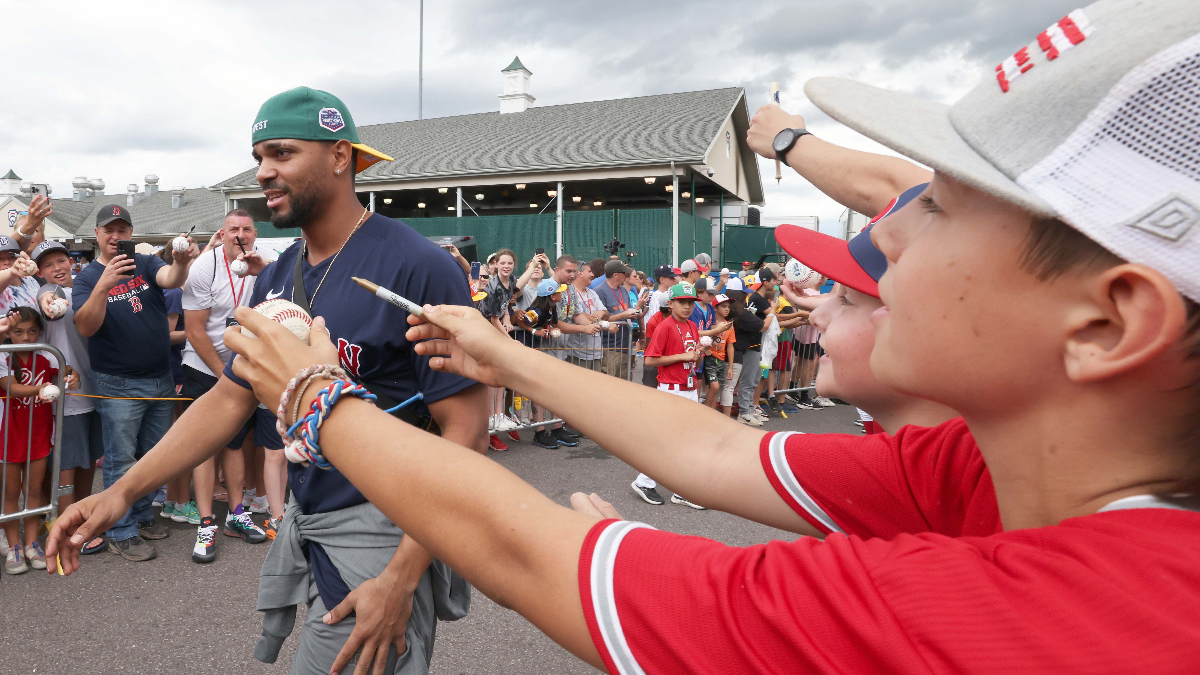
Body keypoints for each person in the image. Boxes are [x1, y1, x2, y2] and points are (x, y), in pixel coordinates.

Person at [53, 86, 484, 675]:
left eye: (281, 153)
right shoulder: (282, 270)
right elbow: (229, 398)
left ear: (340, 156)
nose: (264, 171)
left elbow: (466, 434)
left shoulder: (417, 266)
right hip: (312, 522)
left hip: (383, 534)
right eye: (259, 157)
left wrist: (402, 576)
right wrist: (119, 493)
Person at [72, 204, 198, 562]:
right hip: (118, 384)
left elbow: (171, 279)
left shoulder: (144, 263)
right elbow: (86, 326)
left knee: (152, 457)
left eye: (122, 230)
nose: (116, 237)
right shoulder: (85, 279)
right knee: (120, 460)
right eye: (109, 230)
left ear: (131, 234)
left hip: (159, 378)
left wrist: (182, 260)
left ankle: (142, 516)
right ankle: (120, 529)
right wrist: (104, 285)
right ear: (97, 234)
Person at [181, 210, 273, 562]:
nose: (240, 234)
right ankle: (206, 523)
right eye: (233, 229)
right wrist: (223, 375)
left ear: (254, 233)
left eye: (247, 229)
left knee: (235, 442)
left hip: (242, 364)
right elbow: (195, 330)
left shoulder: (265, 263)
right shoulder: (207, 266)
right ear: (223, 233)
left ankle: (237, 513)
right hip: (205, 364)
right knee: (205, 444)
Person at [33, 241, 109, 556]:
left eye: (62, 260)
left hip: (95, 388)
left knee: (89, 460)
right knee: (67, 465)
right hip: (68, 393)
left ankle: (82, 517)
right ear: (40, 273)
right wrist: (46, 294)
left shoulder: (82, 290)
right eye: (49, 265)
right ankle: (66, 526)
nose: (58, 268)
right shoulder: (47, 295)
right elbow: (46, 299)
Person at [1, 307, 75, 574]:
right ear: (8, 333)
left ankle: (32, 543)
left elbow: (65, 369)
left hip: (40, 435)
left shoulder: (47, 355)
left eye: (32, 330)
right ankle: (14, 547)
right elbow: (11, 387)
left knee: (33, 492)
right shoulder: (4, 356)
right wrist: (41, 388)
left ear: (40, 332)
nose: (25, 337)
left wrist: (71, 375)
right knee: (10, 493)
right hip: (9, 436)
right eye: (18, 332)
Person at [638, 282, 705, 509]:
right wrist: (682, 356)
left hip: (689, 387)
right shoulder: (665, 327)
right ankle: (644, 482)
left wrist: (697, 355)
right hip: (671, 388)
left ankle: (680, 490)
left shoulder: (693, 326)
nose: (687, 307)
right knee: (665, 442)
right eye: (682, 302)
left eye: (690, 303)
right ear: (672, 303)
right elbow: (649, 360)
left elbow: (692, 357)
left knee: (688, 443)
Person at [159, 248, 197, 527]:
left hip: (180, 372)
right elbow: (166, 336)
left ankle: (173, 500)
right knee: (183, 439)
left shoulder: (183, 290)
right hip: (177, 373)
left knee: (180, 437)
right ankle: (181, 502)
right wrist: (198, 331)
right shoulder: (174, 293)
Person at [732, 274, 773, 425]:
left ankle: (749, 409)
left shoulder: (743, 308)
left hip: (753, 346)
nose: (747, 294)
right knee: (747, 381)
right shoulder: (738, 310)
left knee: (753, 380)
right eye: (744, 292)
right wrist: (773, 311)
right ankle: (744, 412)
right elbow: (764, 325)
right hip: (746, 348)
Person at [592, 259, 637, 381]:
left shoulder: (623, 290)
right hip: (609, 346)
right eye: (624, 273)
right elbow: (598, 319)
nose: (626, 276)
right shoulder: (599, 291)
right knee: (610, 381)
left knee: (624, 381)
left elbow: (625, 310)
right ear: (615, 275)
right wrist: (623, 315)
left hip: (625, 344)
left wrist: (632, 314)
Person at [703, 293, 736, 413]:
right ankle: (705, 412)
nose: (727, 309)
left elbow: (730, 346)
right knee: (714, 386)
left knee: (716, 389)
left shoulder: (729, 325)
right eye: (723, 306)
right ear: (715, 308)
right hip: (710, 358)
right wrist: (704, 350)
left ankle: (712, 413)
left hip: (721, 360)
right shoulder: (709, 323)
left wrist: (731, 367)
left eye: (728, 306)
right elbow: (700, 338)